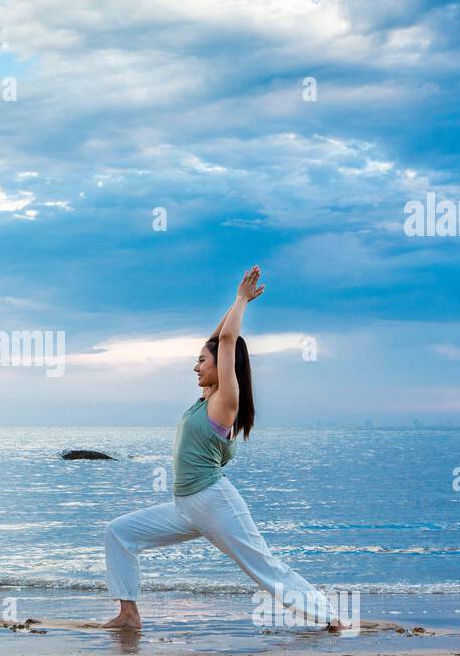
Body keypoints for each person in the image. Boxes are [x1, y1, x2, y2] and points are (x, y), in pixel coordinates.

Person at [99, 266, 347, 633]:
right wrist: (223, 325)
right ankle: (128, 615)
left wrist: (241, 300)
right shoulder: (206, 397)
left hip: (214, 502)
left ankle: (330, 618)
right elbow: (218, 339)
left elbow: (227, 341)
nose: (195, 365)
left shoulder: (226, 401)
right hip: (186, 505)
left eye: (202, 361)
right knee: (118, 533)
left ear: (221, 368)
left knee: (263, 565)